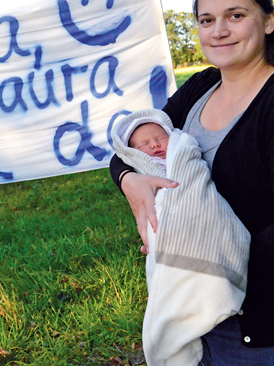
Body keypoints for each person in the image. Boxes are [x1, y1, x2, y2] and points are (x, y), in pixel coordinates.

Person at [109, 0, 274, 365]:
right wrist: (130, 181)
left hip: (256, 325)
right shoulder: (202, 86)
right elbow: (132, 145)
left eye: (235, 16)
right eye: (207, 20)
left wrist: (203, 258)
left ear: (268, 21)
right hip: (192, 310)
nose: (218, 31)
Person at [112, 109, 250, 365]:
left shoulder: (181, 151)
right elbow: (119, 159)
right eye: (143, 144)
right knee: (167, 274)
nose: (154, 144)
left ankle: (214, 290)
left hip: (203, 209)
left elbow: (191, 168)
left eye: (159, 138)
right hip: (166, 220)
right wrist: (129, 177)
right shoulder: (200, 89)